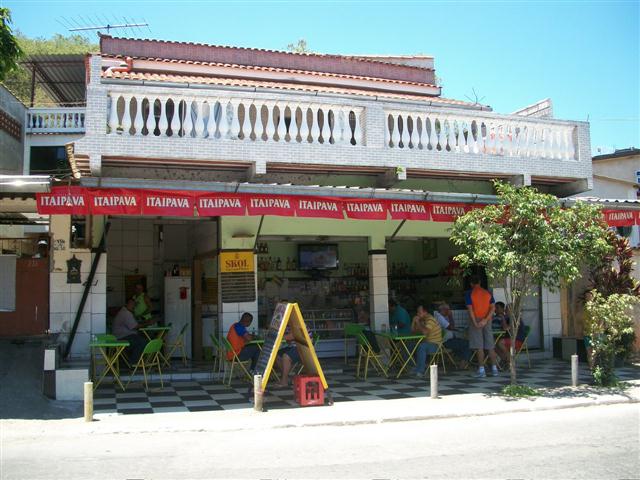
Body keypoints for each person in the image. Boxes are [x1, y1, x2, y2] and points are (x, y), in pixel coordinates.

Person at [465, 275, 499, 377]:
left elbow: (470, 309)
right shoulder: (488, 293)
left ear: (471, 283)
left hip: (476, 319)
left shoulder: (469, 293)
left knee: (479, 346)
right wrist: (486, 319)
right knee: (490, 345)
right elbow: (493, 308)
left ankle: (481, 370)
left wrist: (475, 322)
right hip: (487, 320)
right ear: (479, 282)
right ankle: (494, 369)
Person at [434, 303, 471, 369]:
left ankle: (462, 361)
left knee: (461, 342)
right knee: (467, 343)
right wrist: (450, 316)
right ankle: (463, 364)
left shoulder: (440, 316)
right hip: (444, 342)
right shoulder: (439, 317)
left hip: (446, 339)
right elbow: (451, 327)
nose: (449, 311)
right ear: (443, 310)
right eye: (447, 309)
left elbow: (452, 327)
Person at [112, 298, 150, 363]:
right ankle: (133, 364)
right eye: (131, 304)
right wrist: (148, 323)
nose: (133, 306)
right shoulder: (126, 313)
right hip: (122, 338)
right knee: (142, 342)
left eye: (134, 304)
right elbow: (134, 327)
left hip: (122, 336)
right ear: (126, 304)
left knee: (143, 339)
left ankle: (137, 362)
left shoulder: (125, 312)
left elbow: (134, 324)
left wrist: (144, 322)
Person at [410, 305, 442, 377]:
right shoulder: (423, 320)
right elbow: (412, 331)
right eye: (417, 312)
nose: (417, 314)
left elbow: (425, 332)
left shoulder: (431, 320)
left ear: (425, 312)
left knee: (421, 346)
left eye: (419, 312)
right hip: (426, 342)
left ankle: (420, 371)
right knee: (408, 345)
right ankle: (413, 366)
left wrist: (418, 322)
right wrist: (413, 321)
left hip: (435, 345)